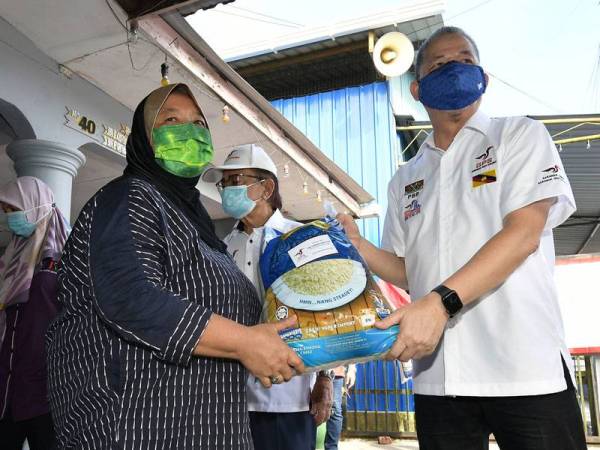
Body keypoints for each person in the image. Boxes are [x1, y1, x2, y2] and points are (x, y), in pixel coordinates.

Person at [337, 27, 587, 450]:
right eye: (438, 64)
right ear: (417, 88)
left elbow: (524, 233)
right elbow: (408, 270)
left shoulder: (519, 136)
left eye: (466, 60)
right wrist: (358, 246)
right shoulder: (407, 178)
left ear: (484, 78)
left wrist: (440, 303)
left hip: (524, 368)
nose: (455, 68)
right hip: (441, 379)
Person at [46, 83, 304, 450]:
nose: (191, 131)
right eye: (172, 120)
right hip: (136, 426)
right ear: (145, 139)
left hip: (208, 425)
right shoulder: (129, 198)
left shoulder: (199, 227)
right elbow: (132, 297)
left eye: (200, 123)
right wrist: (244, 341)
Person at [203, 144, 334, 450]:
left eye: (237, 181)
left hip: (288, 399)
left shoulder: (302, 239)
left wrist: (326, 381)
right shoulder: (221, 248)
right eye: (225, 184)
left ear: (266, 188)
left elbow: (326, 313)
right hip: (230, 403)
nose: (228, 191)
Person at [0, 176, 70, 450]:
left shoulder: (69, 254)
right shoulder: (11, 257)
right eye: (6, 211)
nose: (9, 218)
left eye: (12, 209)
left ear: (33, 206)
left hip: (49, 390)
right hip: (8, 386)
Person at [324, 364, 355, 450]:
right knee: (308, 408)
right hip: (311, 370)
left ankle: (332, 448)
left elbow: (349, 350)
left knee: (335, 411)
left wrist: (351, 369)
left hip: (335, 371)